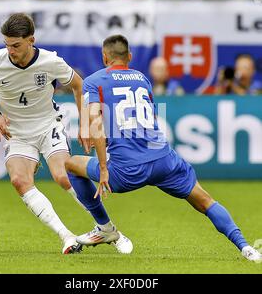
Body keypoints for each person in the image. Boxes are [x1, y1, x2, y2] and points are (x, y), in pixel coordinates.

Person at [65, 34, 262, 262]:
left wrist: (103, 168)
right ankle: (246, 248)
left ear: (104, 56)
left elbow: (96, 123)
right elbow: (151, 118)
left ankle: (105, 227)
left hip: (127, 170)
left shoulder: (93, 80)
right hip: (164, 161)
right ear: (129, 57)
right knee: (206, 201)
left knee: (70, 164)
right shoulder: (142, 79)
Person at [0, 13, 89, 254]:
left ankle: (105, 226)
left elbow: (79, 84)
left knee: (63, 177)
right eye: (7, 45)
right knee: (19, 181)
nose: (11, 51)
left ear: (31, 40)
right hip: (16, 132)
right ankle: (67, 236)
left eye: (16, 45)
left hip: (48, 125)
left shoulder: (50, 61)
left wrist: (85, 125)